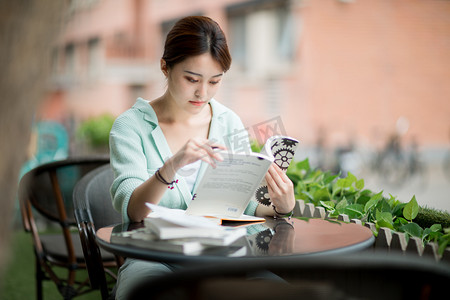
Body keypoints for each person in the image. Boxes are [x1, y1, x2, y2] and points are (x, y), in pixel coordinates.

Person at [109, 15, 295, 299]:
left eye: (215, 81)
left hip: (224, 258)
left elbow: (242, 204)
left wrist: (280, 206)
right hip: (155, 259)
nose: (202, 93)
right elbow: (133, 210)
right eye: (192, 79)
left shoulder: (228, 122)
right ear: (165, 67)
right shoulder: (131, 126)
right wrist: (172, 165)